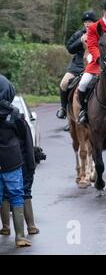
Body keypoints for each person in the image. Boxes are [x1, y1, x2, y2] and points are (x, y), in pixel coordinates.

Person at [0, 75, 35, 247]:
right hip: (12, 162)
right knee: (16, 195)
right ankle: (20, 236)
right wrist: (30, 163)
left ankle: (5, 227)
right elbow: (24, 137)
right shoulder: (14, 114)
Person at [56, 11, 97, 119]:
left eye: (90, 22)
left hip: (93, 66)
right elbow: (70, 48)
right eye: (86, 22)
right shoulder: (79, 34)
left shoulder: (99, 34)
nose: (87, 24)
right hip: (77, 66)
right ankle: (64, 109)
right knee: (64, 83)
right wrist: (80, 40)